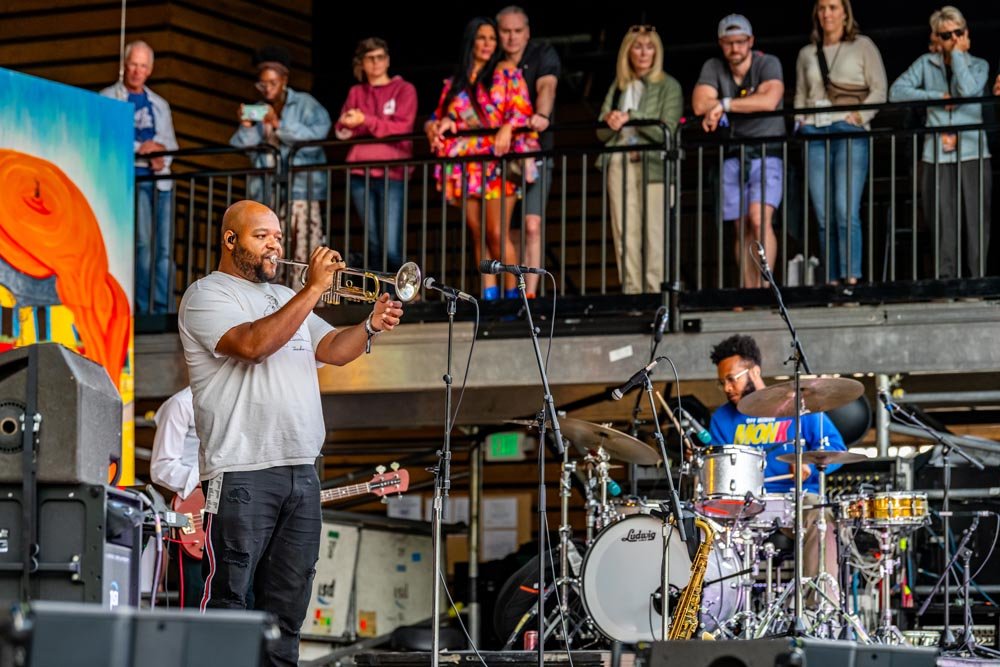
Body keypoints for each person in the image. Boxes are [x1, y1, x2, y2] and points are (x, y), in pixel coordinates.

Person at [178, 200, 404, 666]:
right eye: (262, 236)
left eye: (278, 238)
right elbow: (253, 345)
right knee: (230, 603)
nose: (275, 246)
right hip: (242, 470)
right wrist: (315, 289)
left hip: (302, 470)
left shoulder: (286, 297)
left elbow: (333, 350)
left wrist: (368, 326)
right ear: (231, 239)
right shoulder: (206, 295)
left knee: (288, 610)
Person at [707, 334, 845, 587]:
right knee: (705, 524)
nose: (727, 387)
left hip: (797, 500)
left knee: (820, 515)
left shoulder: (800, 405)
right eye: (722, 382)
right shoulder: (721, 419)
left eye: (731, 379)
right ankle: (723, 609)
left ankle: (817, 611)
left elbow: (836, 449)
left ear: (755, 371)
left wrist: (809, 465)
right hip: (746, 506)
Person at [425, 16, 540, 301]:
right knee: (477, 233)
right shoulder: (457, 81)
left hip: (497, 163)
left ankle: (516, 297)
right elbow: (439, 115)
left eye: (492, 38)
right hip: (467, 164)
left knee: (497, 232)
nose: (488, 43)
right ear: (471, 41)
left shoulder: (506, 71)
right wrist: (434, 126)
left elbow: (521, 109)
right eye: (482, 37)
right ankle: (488, 296)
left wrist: (508, 126)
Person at [890, 6, 991, 279]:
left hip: (972, 151)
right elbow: (896, 92)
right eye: (948, 35)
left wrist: (958, 57)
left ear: (967, 33)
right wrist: (936, 96)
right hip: (937, 152)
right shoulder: (926, 63)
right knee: (942, 218)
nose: (955, 39)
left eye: (959, 33)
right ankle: (947, 280)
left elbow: (969, 91)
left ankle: (976, 279)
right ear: (937, 37)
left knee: (975, 218)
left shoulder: (979, 64)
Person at [795, 0, 887, 285]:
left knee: (845, 209)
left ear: (845, 14)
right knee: (823, 214)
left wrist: (860, 116)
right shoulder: (807, 53)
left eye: (833, 7)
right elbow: (800, 94)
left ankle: (851, 279)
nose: (827, 14)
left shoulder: (863, 46)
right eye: (822, 8)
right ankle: (832, 281)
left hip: (848, 130)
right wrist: (800, 122)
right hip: (815, 132)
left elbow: (880, 88)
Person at [693, 15, 786, 289]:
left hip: (766, 151)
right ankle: (748, 290)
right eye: (729, 43)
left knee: (759, 219)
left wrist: (723, 105)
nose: (735, 48)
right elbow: (699, 104)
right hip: (733, 154)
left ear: (751, 42)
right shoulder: (713, 66)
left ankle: (765, 288)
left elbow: (769, 100)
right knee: (741, 226)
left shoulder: (767, 63)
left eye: (740, 42)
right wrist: (721, 105)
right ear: (721, 44)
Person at [597, 25, 682, 295]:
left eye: (649, 47)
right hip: (620, 163)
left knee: (655, 234)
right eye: (638, 46)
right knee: (625, 234)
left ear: (657, 52)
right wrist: (611, 121)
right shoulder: (619, 86)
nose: (644, 53)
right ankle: (632, 294)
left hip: (654, 167)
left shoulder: (668, 85)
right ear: (628, 52)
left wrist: (632, 116)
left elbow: (666, 129)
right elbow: (600, 131)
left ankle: (655, 294)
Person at [231, 46, 332, 264]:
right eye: (262, 84)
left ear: (284, 80)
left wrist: (278, 124)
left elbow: (318, 134)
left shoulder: (305, 104)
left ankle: (305, 294)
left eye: (272, 83)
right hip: (268, 190)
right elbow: (242, 146)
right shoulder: (259, 108)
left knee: (301, 247)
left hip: (301, 188)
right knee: (269, 248)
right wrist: (247, 125)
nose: (267, 89)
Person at [100, 40, 179, 315]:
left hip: (161, 181)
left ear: (150, 69)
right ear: (124, 65)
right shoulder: (108, 97)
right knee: (143, 246)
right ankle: (144, 310)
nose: (137, 70)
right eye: (133, 64)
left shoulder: (160, 104)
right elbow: (106, 139)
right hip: (132, 180)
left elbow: (170, 144)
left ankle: (163, 308)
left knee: (164, 250)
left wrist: (159, 153)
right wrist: (142, 149)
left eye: (143, 66)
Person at [335, 37, 417, 273]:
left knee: (391, 245)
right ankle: (378, 297)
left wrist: (366, 121)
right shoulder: (356, 91)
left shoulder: (404, 89)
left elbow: (402, 128)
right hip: (361, 172)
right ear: (362, 63)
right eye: (370, 58)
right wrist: (348, 123)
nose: (376, 63)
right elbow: (343, 129)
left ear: (388, 60)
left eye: (380, 57)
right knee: (373, 243)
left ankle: (398, 296)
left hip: (393, 172)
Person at [497, 6, 561, 298]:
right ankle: (510, 294)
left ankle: (530, 297)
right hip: (499, 157)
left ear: (528, 32)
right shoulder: (492, 61)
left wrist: (542, 115)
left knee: (532, 225)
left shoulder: (542, 54)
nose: (511, 37)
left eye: (517, 31)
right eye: (505, 31)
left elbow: (547, 86)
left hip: (534, 154)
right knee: (505, 230)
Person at [149, 386, 204, 609]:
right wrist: (207, 481)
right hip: (197, 513)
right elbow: (161, 467)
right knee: (197, 597)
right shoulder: (181, 404)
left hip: (237, 511)